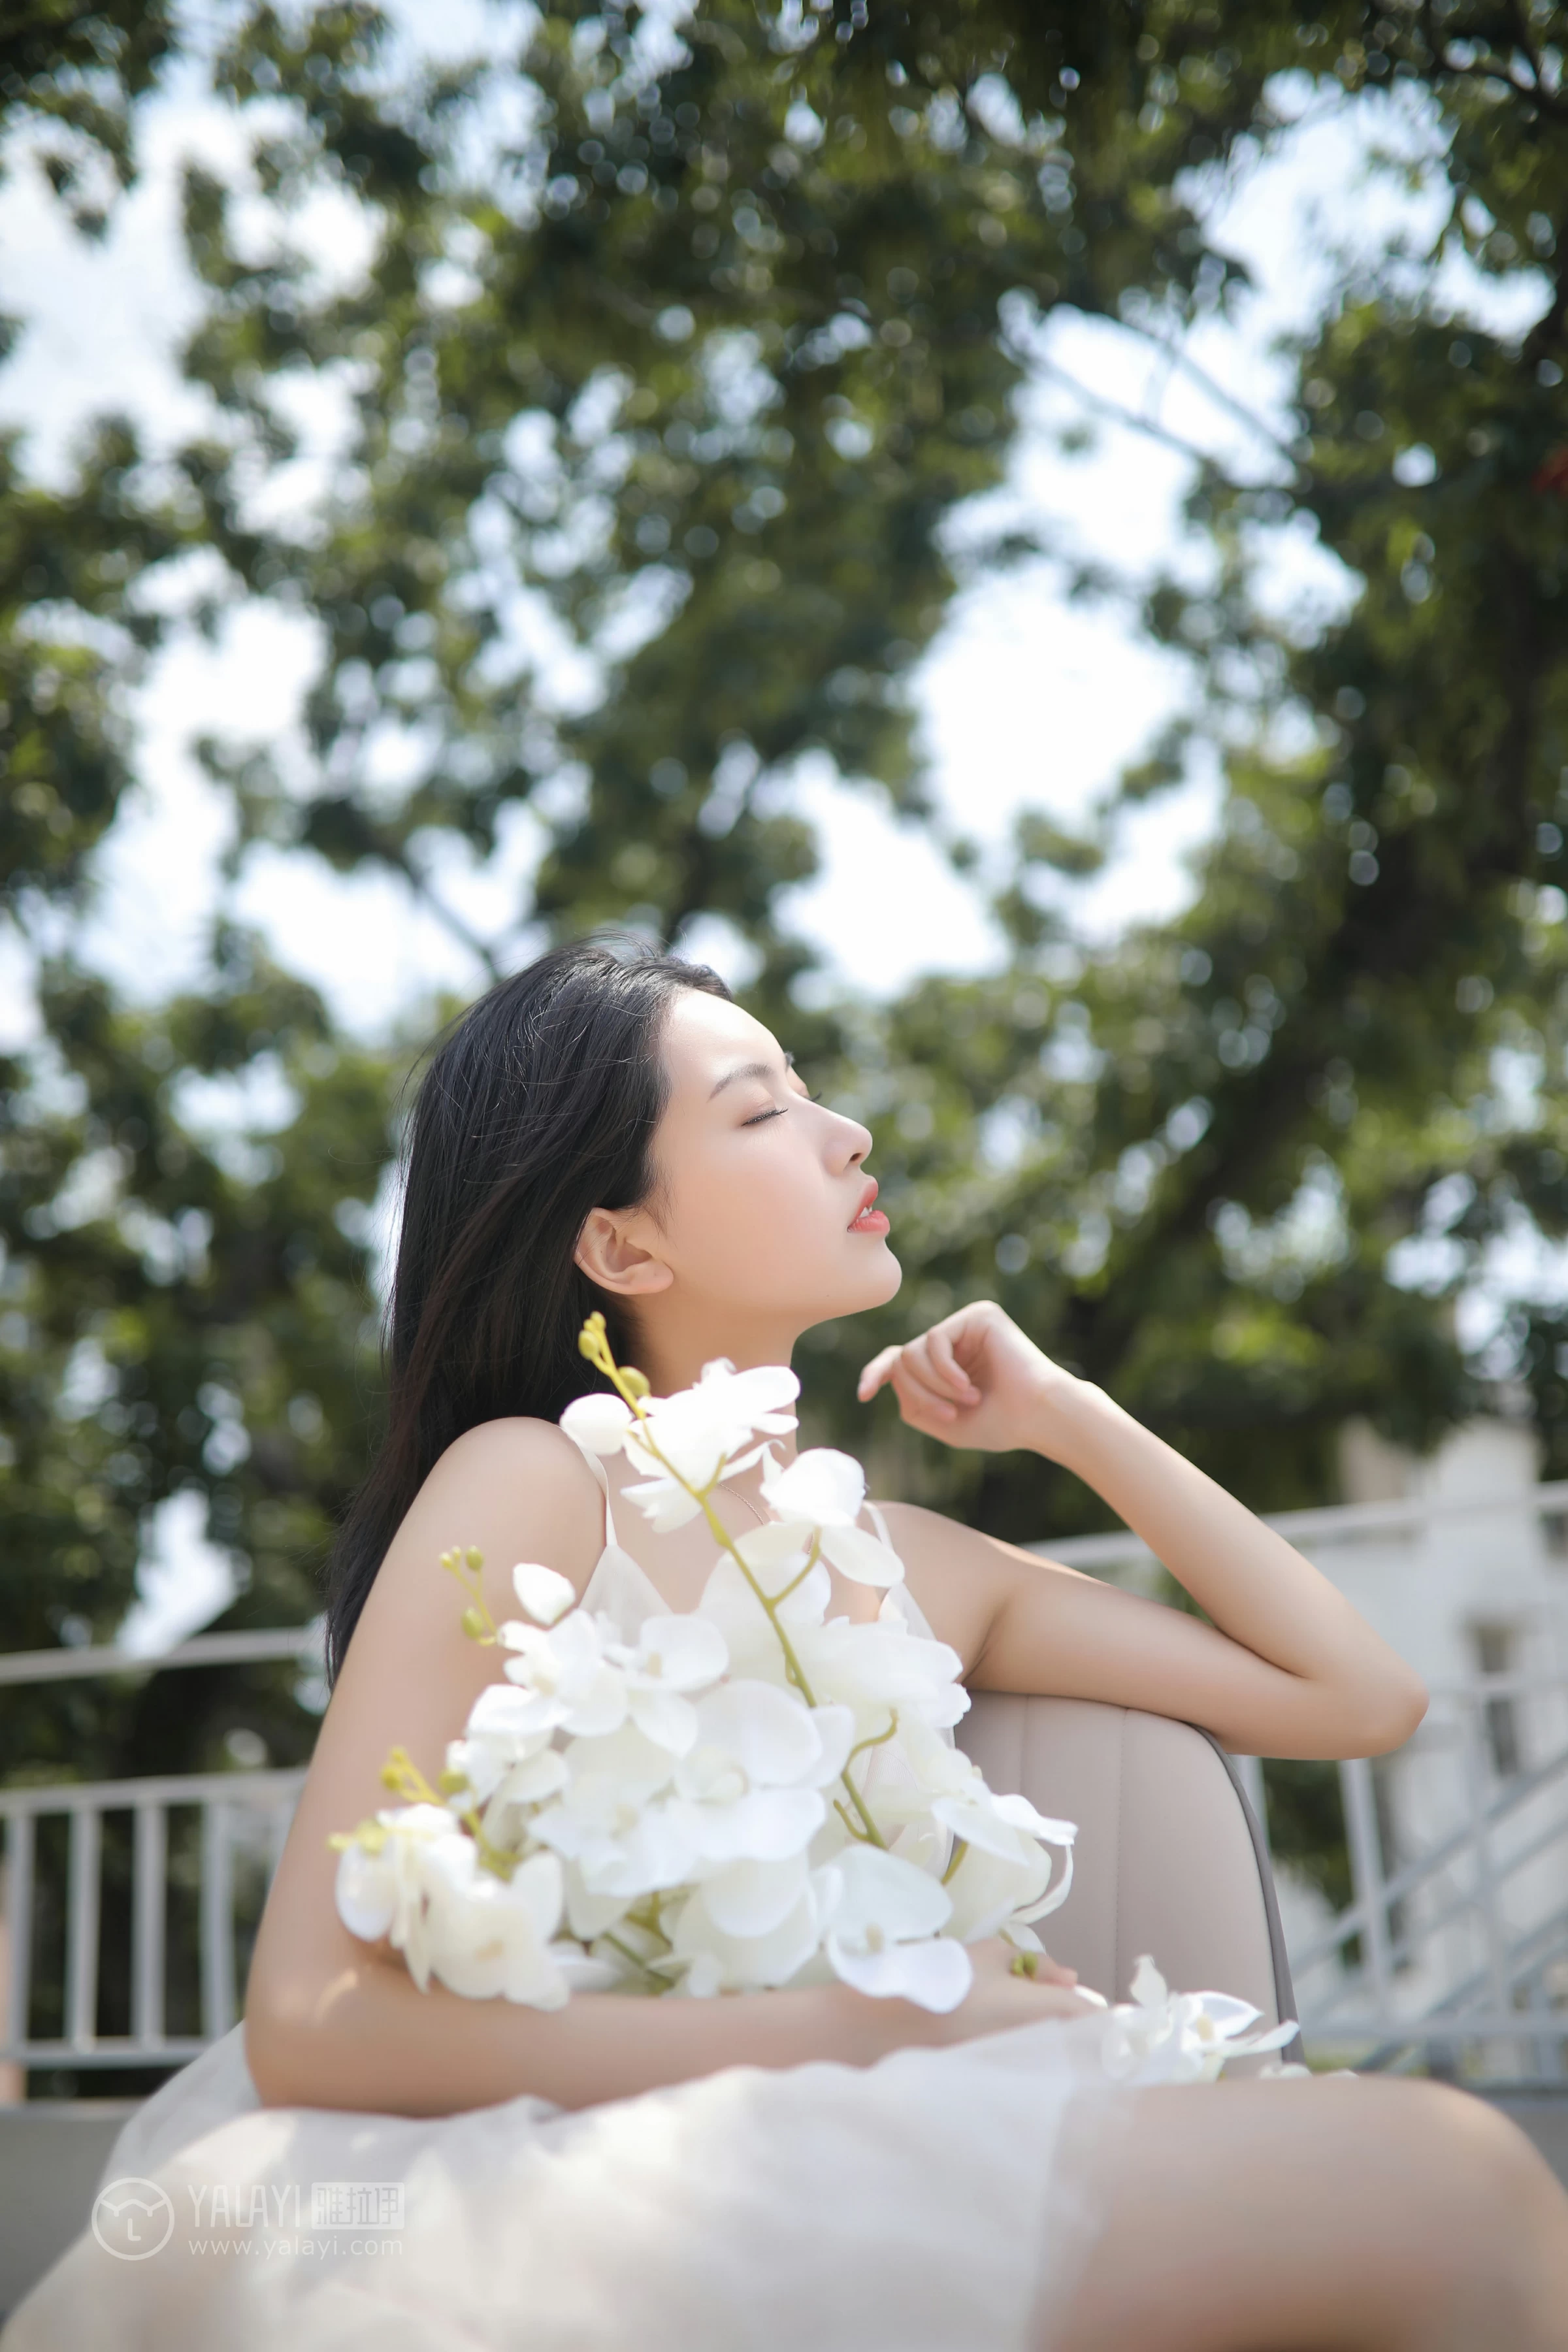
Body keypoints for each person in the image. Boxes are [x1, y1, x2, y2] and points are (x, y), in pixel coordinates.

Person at [7, 936, 1567, 2352]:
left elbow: (1360, 1695)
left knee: (1461, 2192)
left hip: (897, 2128)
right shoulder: (537, 1484)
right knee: (1460, 2185)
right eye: (761, 1113)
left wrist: (1074, 1422)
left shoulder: (918, 1565)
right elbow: (312, 2023)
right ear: (621, 1248)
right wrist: (888, 2026)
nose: (848, 1136)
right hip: (592, 2177)